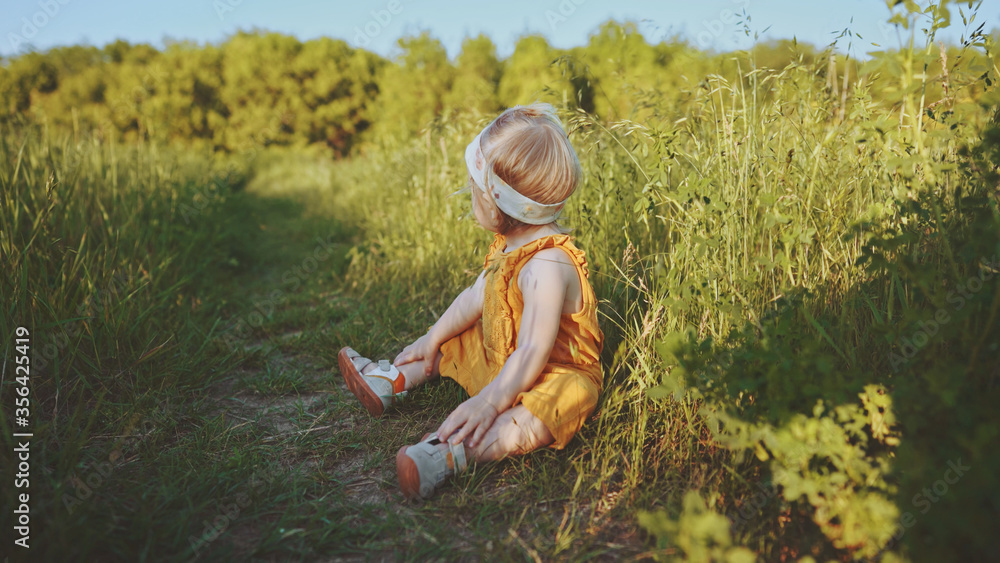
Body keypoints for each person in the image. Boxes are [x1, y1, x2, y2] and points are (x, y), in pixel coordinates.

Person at [338, 103, 603, 500]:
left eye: (475, 192)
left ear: (498, 206)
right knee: (457, 338)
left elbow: (534, 349)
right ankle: (392, 379)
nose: (471, 198)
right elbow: (473, 298)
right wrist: (431, 338)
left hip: (553, 370)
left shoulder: (546, 265)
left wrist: (490, 401)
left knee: (551, 406)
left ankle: (450, 453)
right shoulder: (508, 247)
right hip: (506, 361)